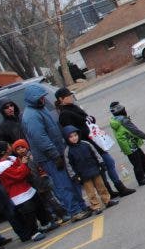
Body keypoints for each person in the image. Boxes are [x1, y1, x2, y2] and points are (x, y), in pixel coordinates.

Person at [20, 84, 90, 222]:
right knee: (63, 184)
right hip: (50, 157)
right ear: (33, 98)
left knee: (71, 181)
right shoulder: (31, 116)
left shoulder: (40, 109)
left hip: (58, 152)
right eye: (41, 97)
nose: (44, 99)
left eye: (43, 97)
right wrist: (54, 155)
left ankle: (81, 207)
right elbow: (40, 138)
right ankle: (75, 211)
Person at [54, 87, 135, 197]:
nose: (71, 97)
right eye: (68, 96)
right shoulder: (64, 114)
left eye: (71, 95)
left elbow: (86, 119)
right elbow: (72, 131)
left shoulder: (73, 107)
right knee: (104, 164)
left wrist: (90, 119)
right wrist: (85, 128)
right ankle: (115, 189)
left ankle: (115, 189)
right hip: (86, 143)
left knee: (107, 163)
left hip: (93, 139)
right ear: (61, 99)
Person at [0, 140, 55, 241]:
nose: (11, 147)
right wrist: (23, 165)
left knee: (39, 206)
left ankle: (46, 224)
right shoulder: (1, 166)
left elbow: (24, 172)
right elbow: (18, 175)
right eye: (8, 146)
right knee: (29, 214)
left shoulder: (12, 158)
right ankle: (34, 233)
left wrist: (22, 166)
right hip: (19, 194)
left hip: (27, 188)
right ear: (4, 151)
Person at [62, 127, 118, 214]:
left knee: (101, 187)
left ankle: (107, 200)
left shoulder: (86, 144)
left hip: (95, 170)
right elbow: (69, 165)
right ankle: (96, 206)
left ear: (78, 135)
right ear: (67, 139)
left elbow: (95, 153)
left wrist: (101, 163)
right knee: (90, 192)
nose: (74, 138)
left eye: (75, 135)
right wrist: (74, 176)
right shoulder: (68, 151)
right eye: (71, 137)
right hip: (83, 175)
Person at [0, 131, 28, 242]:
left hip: (0, 177)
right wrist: (3, 158)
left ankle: (26, 229)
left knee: (14, 205)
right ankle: (23, 233)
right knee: (9, 208)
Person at [12, 138, 66, 223]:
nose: (21, 150)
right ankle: (53, 216)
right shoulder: (19, 161)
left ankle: (62, 213)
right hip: (33, 184)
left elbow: (40, 168)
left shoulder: (33, 156)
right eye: (18, 149)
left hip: (43, 180)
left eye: (22, 147)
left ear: (26, 147)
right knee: (44, 203)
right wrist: (23, 164)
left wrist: (43, 177)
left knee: (52, 198)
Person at [108, 102, 145, 185]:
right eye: (124, 110)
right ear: (121, 111)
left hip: (129, 143)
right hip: (129, 145)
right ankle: (141, 179)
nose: (125, 111)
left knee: (142, 158)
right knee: (137, 162)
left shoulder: (116, 119)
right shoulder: (123, 120)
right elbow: (134, 130)